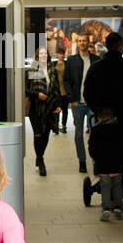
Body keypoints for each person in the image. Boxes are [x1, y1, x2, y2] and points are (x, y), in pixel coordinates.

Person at [83, 31, 123, 159]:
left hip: (103, 119)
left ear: (107, 46)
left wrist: (98, 111)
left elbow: (87, 92)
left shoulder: (95, 67)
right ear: (121, 47)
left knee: (104, 153)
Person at [88, 108, 123, 222]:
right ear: (114, 118)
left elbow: (92, 149)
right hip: (117, 164)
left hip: (103, 164)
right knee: (117, 186)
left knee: (105, 187)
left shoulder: (96, 130)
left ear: (99, 118)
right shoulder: (120, 129)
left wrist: (96, 158)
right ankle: (118, 207)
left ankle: (106, 208)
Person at [63, 35, 97, 173]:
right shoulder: (71, 60)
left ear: (88, 42)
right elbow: (66, 81)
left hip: (93, 104)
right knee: (78, 135)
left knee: (95, 134)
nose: (82, 43)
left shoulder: (96, 60)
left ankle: (96, 162)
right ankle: (82, 160)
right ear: (77, 43)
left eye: (84, 41)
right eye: (80, 41)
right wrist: (72, 100)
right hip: (78, 103)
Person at [25, 46, 60, 176]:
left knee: (46, 135)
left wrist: (58, 105)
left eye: (45, 54)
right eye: (41, 54)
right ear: (37, 56)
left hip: (49, 108)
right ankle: (41, 160)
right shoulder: (33, 69)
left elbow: (55, 89)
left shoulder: (52, 70)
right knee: (38, 134)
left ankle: (39, 156)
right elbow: (26, 90)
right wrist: (37, 95)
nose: (43, 56)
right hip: (36, 108)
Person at [53, 45, 69, 134]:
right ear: (57, 54)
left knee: (65, 109)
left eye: (62, 54)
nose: (61, 55)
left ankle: (64, 126)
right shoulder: (54, 63)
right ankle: (56, 126)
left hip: (65, 89)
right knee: (57, 109)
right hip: (56, 89)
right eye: (59, 54)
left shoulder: (67, 63)